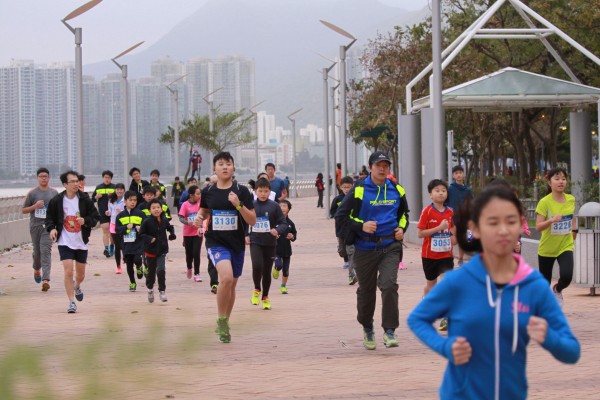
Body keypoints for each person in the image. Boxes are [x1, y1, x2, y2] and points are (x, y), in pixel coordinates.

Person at [407, 184, 580, 400]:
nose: (503, 230)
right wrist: (445, 346)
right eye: (493, 222)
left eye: (511, 221)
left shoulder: (533, 285)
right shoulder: (458, 282)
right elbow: (417, 319)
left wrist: (549, 337)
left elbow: (572, 351)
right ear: (475, 228)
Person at [335, 151, 409, 350]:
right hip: (365, 248)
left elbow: (404, 214)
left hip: (390, 246)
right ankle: (367, 327)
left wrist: (402, 228)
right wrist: (361, 226)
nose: (382, 169)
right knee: (366, 291)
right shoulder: (359, 189)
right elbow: (341, 216)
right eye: (378, 165)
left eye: (386, 165)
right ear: (370, 168)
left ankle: (390, 330)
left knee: (389, 285)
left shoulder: (396, 189)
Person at [195, 151, 256, 343]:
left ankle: (225, 322)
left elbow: (252, 220)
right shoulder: (208, 191)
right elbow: (204, 210)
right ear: (214, 168)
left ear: (233, 168)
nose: (225, 167)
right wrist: (199, 218)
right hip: (215, 241)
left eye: (228, 164)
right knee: (226, 278)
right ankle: (221, 319)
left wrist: (238, 205)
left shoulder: (242, 191)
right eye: (220, 164)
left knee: (232, 284)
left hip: (236, 243)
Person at [45, 170, 100, 313]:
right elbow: (49, 218)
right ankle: (71, 302)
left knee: (80, 276)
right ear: (65, 184)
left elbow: (95, 217)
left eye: (77, 181)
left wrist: (85, 221)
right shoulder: (57, 201)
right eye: (73, 182)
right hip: (65, 241)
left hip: (81, 241)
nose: (76, 184)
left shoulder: (85, 199)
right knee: (68, 272)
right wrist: (52, 229)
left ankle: (77, 286)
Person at [417, 179, 456, 331]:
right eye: (437, 191)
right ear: (430, 194)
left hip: (446, 255)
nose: (441, 193)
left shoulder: (450, 212)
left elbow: (453, 231)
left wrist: (454, 238)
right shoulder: (427, 211)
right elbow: (420, 233)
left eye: (443, 191)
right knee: (431, 285)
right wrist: (438, 228)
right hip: (430, 256)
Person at [535, 167, 577, 307]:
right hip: (547, 248)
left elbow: (571, 217)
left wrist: (574, 231)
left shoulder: (570, 199)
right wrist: (551, 220)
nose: (561, 182)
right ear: (549, 182)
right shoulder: (544, 202)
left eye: (563, 179)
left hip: (565, 245)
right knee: (544, 283)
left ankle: (557, 289)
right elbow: (538, 227)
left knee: (567, 276)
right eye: (557, 179)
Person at [247, 178, 287, 310]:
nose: (263, 194)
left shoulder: (274, 206)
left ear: (270, 192)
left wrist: (277, 230)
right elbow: (244, 222)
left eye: (265, 191)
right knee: (257, 266)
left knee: (266, 271)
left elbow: (283, 223)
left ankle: (265, 296)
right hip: (255, 241)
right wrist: (246, 235)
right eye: (260, 191)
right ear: (255, 191)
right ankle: (257, 289)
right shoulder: (251, 205)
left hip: (270, 243)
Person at [22, 167, 58, 292]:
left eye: (45, 176)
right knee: (37, 253)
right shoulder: (32, 193)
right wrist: (35, 206)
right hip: (35, 226)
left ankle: (46, 280)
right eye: (41, 176)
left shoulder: (54, 193)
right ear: (37, 178)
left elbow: (59, 209)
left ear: (49, 178)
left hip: (48, 227)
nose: (43, 178)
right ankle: (37, 269)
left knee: (46, 251)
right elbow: (23, 210)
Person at [140, 199, 176, 303]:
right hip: (150, 251)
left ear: (161, 209)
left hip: (162, 250)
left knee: (161, 271)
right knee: (151, 273)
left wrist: (172, 234)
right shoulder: (147, 221)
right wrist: (149, 238)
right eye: (153, 208)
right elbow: (141, 234)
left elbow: (170, 227)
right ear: (149, 210)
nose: (156, 209)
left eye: (158, 207)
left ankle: (162, 291)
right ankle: (150, 289)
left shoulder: (164, 219)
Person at [115, 190, 145, 292]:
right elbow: (117, 230)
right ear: (125, 201)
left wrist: (140, 228)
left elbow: (146, 226)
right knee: (129, 264)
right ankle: (132, 282)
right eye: (130, 200)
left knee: (137, 259)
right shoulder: (120, 216)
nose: (133, 202)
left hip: (138, 242)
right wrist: (126, 228)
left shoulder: (140, 214)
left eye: (135, 200)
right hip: (126, 244)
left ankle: (139, 267)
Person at [330, 176, 357, 283]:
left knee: (351, 252)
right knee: (342, 251)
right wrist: (337, 216)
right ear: (340, 187)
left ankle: (352, 275)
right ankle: (345, 257)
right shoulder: (337, 200)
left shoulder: (355, 198)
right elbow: (332, 212)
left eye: (348, 187)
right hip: (340, 229)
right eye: (344, 187)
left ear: (352, 187)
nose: (346, 189)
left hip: (352, 229)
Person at [447, 165, 474, 266]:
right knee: (453, 240)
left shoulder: (468, 190)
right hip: (452, 219)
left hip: (464, 218)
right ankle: (449, 257)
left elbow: (471, 203)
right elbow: (445, 202)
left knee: (463, 239)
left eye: (460, 173)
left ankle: (461, 259)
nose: (458, 175)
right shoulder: (450, 189)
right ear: (453, 175)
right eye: (456, 173)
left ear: (463, 174)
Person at [179, 185, 204, 282]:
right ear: (191, 195)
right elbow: (181, 218)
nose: (199, 196)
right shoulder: (185, 205)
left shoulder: (200, 203)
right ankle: (189, 267)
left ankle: (197, 273)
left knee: (196, 252)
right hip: (187, 233)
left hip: (198, 232)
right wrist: (187, 222)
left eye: (200, 194)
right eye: (197, 194)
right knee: (189, 254)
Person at [273, 199, 297, 294]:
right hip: (275, 249)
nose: (282, 208)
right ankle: (276, 269)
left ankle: (283, 286)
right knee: (279, 265)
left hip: (287, 250)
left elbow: (294, 235)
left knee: (286, 270)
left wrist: (292, 236)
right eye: (280, 206)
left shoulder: (290, 223)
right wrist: (273, 236)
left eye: (284, 206)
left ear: (288, 209)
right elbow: (268, 232)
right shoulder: (274, 221)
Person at [92, 170, 116, 258]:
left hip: (113, 213)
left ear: (111, 178)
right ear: (103, 178)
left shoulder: (114, 187)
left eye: (109, 177)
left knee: (112, 232)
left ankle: (112, 246)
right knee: (105, 230)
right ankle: (106, 249)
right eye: (105, 177)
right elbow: (92, 199)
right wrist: (96, 197)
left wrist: (113, 196)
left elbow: (120, 199)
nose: (107, 179)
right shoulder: (98, 187)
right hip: (102, 212)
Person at [106, 183, 126, 274]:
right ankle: (118, 266)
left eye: (121, 189)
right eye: (117, 189)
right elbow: (110, 211)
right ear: (115, 190)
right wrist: (108, 212)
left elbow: (128, 210)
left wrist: (121, 211)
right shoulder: (111, 200)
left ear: (124, 190)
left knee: (124, 243)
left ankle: (125, 256)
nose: (119, 191)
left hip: (123, 224)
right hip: (113, 224)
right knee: (117, 246)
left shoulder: (126, 200)